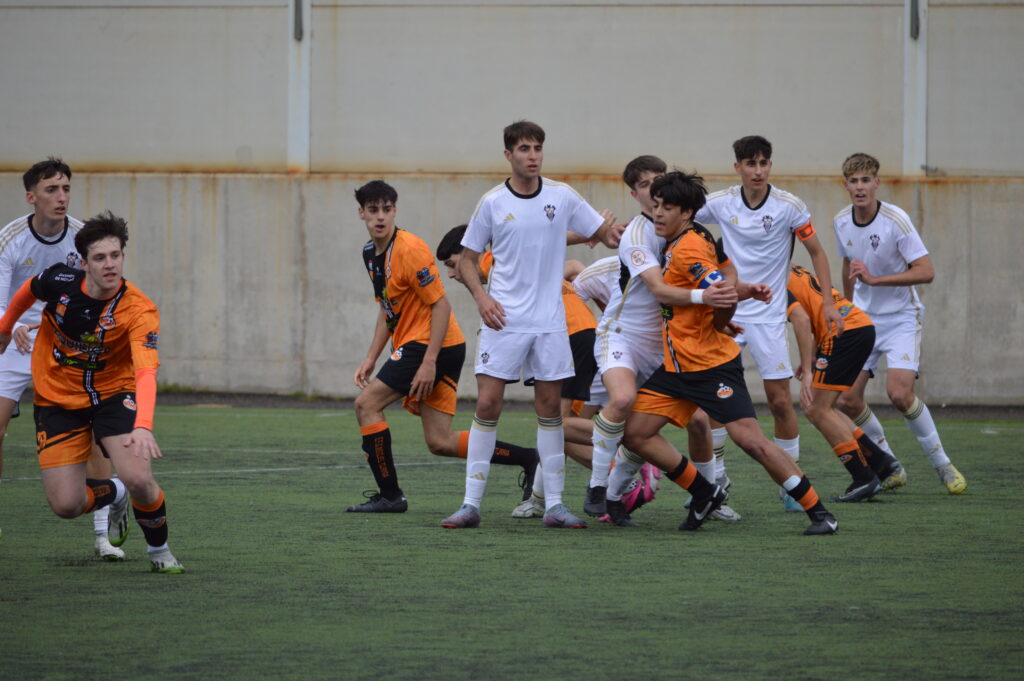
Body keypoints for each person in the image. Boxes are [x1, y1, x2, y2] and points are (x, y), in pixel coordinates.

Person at [621, 171, 838, 535]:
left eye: (667, 207)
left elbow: (719, 290)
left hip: (710, 368)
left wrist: (721, 320)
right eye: (655, 205)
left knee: (751, 441)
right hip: (676, 369)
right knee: (636, 434)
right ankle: (704, 491)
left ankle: (819, 512)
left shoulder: (687, 248)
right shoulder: (696, 236)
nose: (657, 213)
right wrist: (743, 289)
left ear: (687, 212)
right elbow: (727, 271)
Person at [440, 120, 620, 529]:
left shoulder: (562, 195)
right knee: (487, 405)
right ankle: (470, 504)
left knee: (549, 410)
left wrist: (621, 232)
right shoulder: (491, 202)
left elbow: (604, 234)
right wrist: (482, 298)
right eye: (524, 148)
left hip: (551, 323)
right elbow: (467, 260)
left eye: (538, 147)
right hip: (504, 321)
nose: (533, 155)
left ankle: (554, 505)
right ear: (508, 154)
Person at [0, 211, 184, 572]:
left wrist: (143, 425)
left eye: (115, 256)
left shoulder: (140, 310)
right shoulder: (60, 280)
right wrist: (6, 327)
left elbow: (146, 372)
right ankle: (115, 494)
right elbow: (27, 291)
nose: (110, 264)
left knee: (140, 479)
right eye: (100, 258)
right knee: (66, 506)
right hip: (57, 398)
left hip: (113, 394)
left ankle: (159, 552)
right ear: (83, 263)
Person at [350, 181, 538, 513]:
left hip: (430, 345)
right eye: (373, 210)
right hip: (433, 345)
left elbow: (441, 306)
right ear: (361, 213)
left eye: (386, 209)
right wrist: (370, 357)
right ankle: (528, 458)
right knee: (440, 442)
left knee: (366, 405)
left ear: (395, 210)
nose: (380, 217)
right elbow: (386, 307)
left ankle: (390, 496)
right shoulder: (370, 253)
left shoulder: (410, 249)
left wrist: (428, 362)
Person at [695, 135, 844, 511]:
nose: (757, 170)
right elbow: (682, 223)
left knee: (780, 402)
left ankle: (791, 484)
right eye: (750, 163)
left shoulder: (789, 207)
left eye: (764, 163)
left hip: (768, 318)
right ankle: (717, 481)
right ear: (738, 168)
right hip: (727, 313)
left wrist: (827, 302)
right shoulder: (720, 202)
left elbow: (818, 253)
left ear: (770, 166)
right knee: (713, 402)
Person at [581, 156, 731, 523]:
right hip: (622, 336)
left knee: (692, 422)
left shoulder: (690, 232)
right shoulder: (635, 234)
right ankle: (596, 487)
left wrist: (727, 309)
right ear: (635, 194)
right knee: (620, 401)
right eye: (647, 186)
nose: (656, 192)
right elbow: (659, 289)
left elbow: (721, 270)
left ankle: (707, 496)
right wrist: (707, 299)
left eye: (661, 182)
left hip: (664, 346)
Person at [0, 157, 123, 559]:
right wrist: (11, 325)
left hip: (67, 346)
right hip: (17, 342)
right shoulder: (11, 239)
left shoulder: (82, 237)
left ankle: (104, 534)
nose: (62, 197)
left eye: (66, 188)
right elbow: (3, 302)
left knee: (92, 437)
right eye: (52, 190)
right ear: (30, 196)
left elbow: (103, 292)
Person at [833, 153, 966, 494]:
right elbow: (849, 268)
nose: (860, 187)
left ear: (877, 183)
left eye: (866, 180)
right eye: (853, 181)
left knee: (900, 394)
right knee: (847, 399)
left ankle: (944, 466)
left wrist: (875, 281)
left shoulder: (896, 219)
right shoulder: (841, 221)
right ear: (845, 185)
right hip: (862, 320)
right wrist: (846, 310)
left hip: (901, 319)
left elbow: (926, 271)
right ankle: (891, 465)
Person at [786, 264, 906, 500]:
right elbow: (813, 311)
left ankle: (863, 477)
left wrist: (808, 369)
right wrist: (811, 356)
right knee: (825, 407)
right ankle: (882, 463)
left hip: (843, 332)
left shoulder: (767, 273)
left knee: (816, 410)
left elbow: (800, 319)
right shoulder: (790, 268)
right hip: (857, 326)